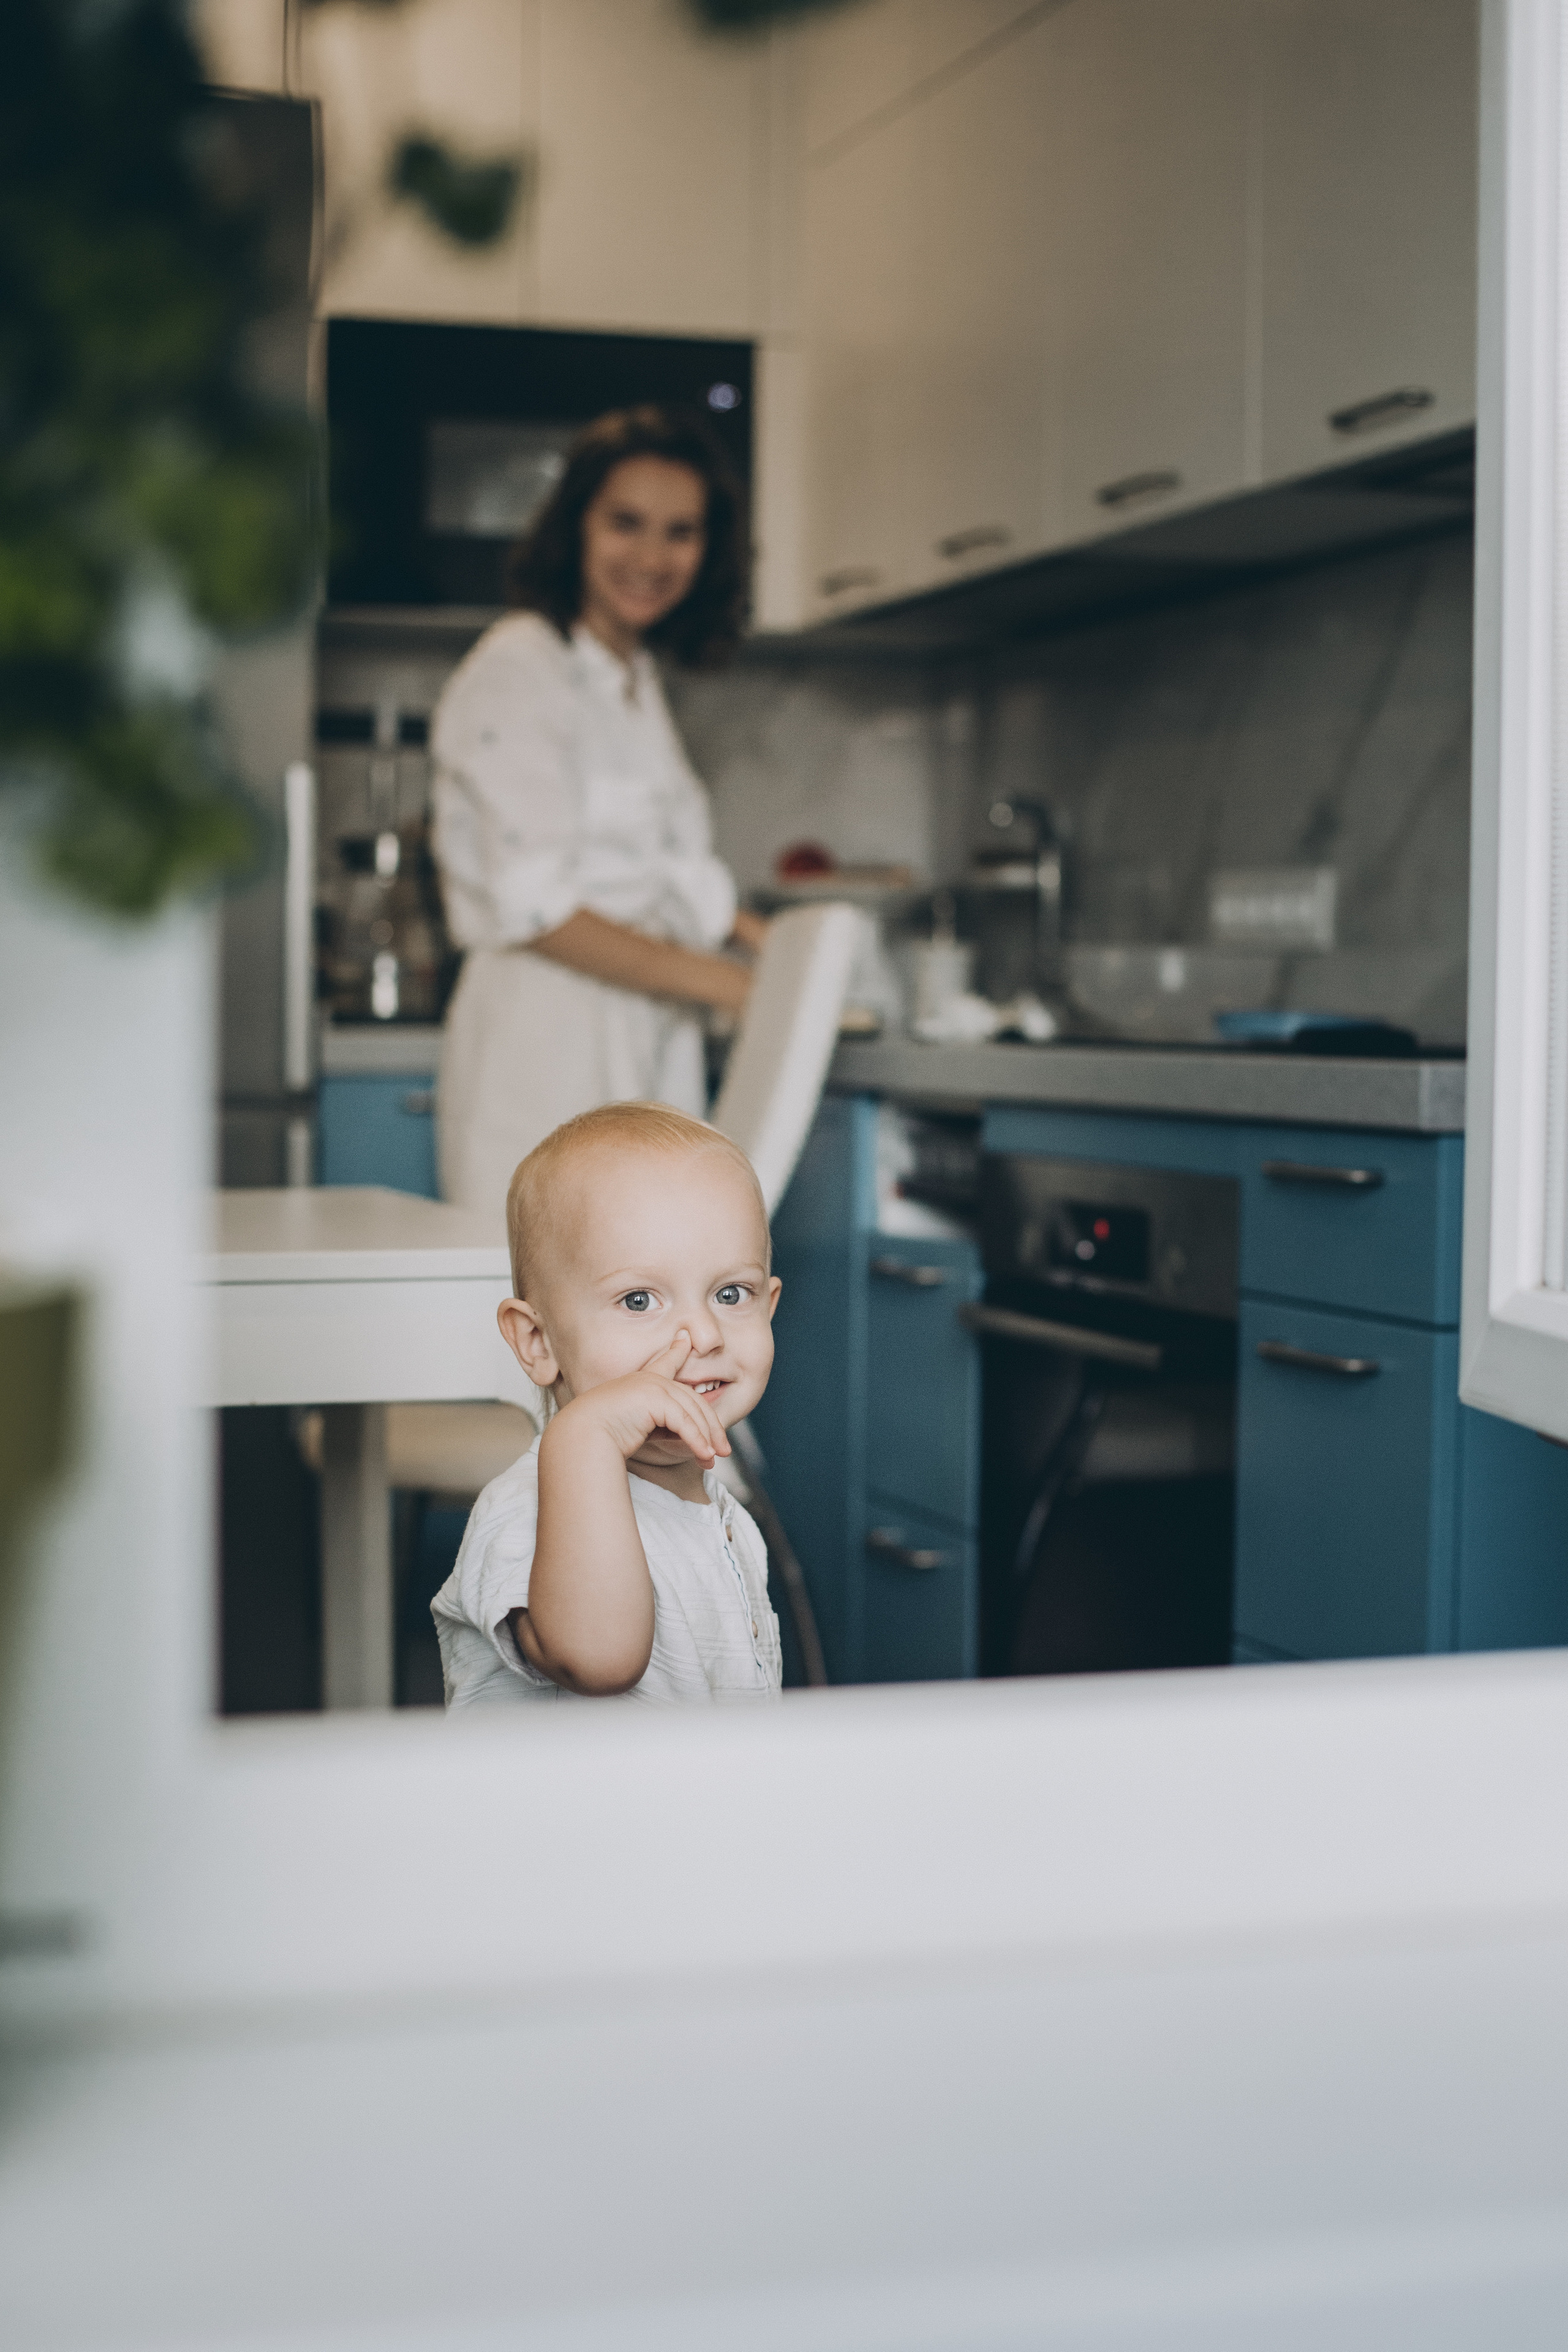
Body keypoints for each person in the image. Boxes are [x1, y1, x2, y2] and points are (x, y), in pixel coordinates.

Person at [430, 406, 767, 1227]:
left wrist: (789, 951)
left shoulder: (633, 680)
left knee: (641, 1318)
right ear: (575, 524)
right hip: (547, 1044)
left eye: (680, 532)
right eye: (626, 523)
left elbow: (665, 876)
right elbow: (540, 912)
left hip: (646, 1045)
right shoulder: (522, 667)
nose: (652, 557)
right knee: (555, 1322)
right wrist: (738, 988)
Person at [431, 1102, 783, 1707]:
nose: (703, 1334)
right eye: (640, 1301)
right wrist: (586, 1437)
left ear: (769, 1305)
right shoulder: (527, 1512)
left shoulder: (723, 1517)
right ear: (539, 1342)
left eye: (731, 1293)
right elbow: (599, 1660)